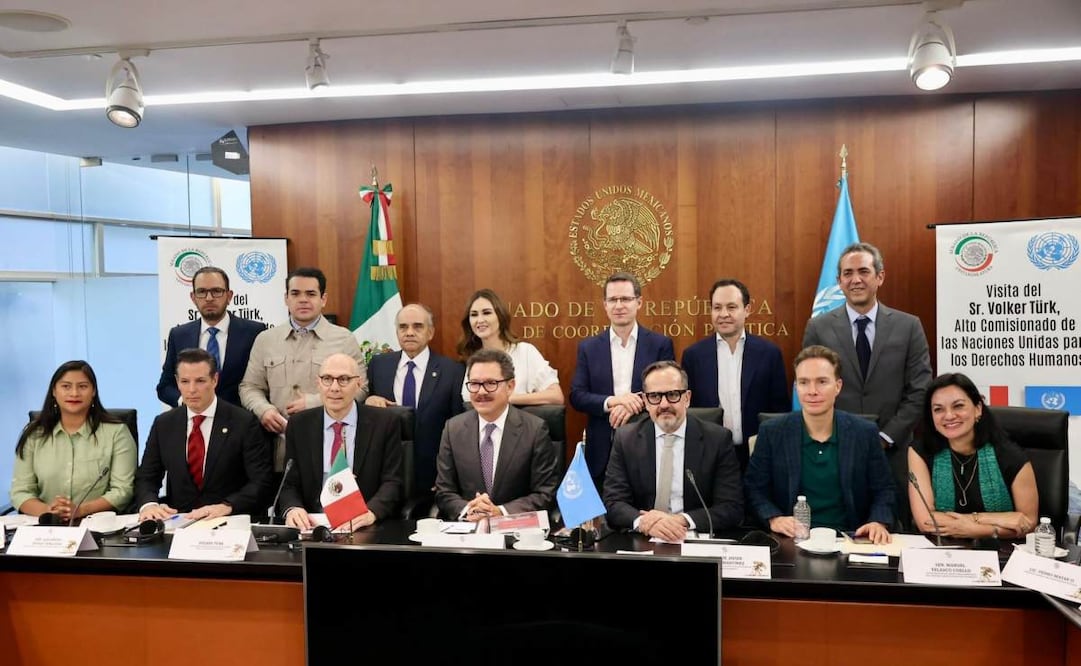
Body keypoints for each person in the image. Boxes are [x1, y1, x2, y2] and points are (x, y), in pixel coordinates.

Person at [801, 241, 931, 523]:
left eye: (863, 271)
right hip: (835, 446)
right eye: (847, 273)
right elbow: (810, 386)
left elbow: (920, 390)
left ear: (879, 276)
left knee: (890, 530)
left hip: (892, 451)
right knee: (839, 528)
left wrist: (885, 437)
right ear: (838, 281)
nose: (855, 279)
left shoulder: (909, 326)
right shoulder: (818, 327)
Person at [744, 345, 895, 544]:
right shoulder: (772, 432)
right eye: (804, 383)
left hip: (850, 540)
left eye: (822, 382)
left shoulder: (864, 433)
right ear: (796, 387)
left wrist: (878, 521)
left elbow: (885, 489)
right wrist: (774, 518)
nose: (812, 391)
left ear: (838, 386)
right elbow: (753, 488)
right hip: (790, 542)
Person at [240, 266, 366, 470]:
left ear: (323, 299)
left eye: (311, 294)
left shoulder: (344, 339)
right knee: (285, 499)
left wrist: (316, 401)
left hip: (328, 448)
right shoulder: (265, 339)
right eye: (296, 293)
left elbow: (361, 389)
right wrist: (263, 410)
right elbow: (249, 387)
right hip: (277, 447)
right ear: (286, 298)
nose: (303, 300)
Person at [603, 361, 743, 541]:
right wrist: (645, 522)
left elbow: (731, 507)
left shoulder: (717, 440)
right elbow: (614, 503)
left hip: (693, 539)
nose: (663, 404)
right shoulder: (626, 439)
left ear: (687, 398)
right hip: (642, 538)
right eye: (654, 396)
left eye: (672, 395)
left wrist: (680, 521)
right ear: (645, 401)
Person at [135, 349, 273, 521]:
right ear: (177, 382)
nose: (192, 389)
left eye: (200, 381)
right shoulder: (164, 424)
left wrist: (227, 506)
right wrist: (149, 505)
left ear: (215, 380)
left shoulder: (243, 422)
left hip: (228, 521)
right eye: (185, 381)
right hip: (181, 523)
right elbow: (147, 476)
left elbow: (262, 482)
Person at [570, 272, 675, 486]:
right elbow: (577, 396)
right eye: (613, 300)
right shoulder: (588, 348)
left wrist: (632, 404)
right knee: (603, 513)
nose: (619, 305)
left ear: (639, 302)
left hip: (647, 442)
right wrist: (615, 401)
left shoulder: (660, 344)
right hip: (601, 447)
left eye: (625, 299)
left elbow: (669, 392)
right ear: (605, 305)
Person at [278, 353, 403, 529]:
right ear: (318, 383)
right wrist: (293, 508)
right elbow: (289, 483)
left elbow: (393, 482)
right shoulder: (299, 425)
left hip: (364, 524)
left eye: (344, 379)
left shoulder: (384, 423)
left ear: (358, 383)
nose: (335, 388)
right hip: (313, 524)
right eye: (327, 379)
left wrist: (371, 513)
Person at [909, 373, 1038, 539]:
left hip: (1000, 553)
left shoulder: (1010, 455)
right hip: (942, 553)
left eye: (958, 406)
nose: (948, 415)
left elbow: (1027, 522)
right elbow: (926, 520)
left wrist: (977, 526)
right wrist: (994, 522)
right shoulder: (920, 451)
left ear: (978, 409)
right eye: (938, 409)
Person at [435, 349, 558, 520]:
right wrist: (469, 510)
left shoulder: (535, 430)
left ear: (510, 386)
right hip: (468, 531)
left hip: (515, 532)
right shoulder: (453, 429)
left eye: (491, 383)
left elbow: (545, 493)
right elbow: (444, 491)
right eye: (475, 384)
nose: (481, 392)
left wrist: (500, 512)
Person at [682, 278, 789, 471]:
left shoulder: (769, 354)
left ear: (747, 309)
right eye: (717, 308)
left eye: (731, 307)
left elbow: (779, 410)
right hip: (710, 456)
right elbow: (690, 411)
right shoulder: (694, 356)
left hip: (758, 454)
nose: (724, 314)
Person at [10, 361, 136, 520]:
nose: (74, 393)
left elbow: (122, 490)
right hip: (45, 528)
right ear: (54, 391)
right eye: (66, 386)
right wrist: (49, 512)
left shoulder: (116, 433)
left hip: (99, 527)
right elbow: (21, 491)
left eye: (83, 386)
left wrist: (80, 510)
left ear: (94, 391)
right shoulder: (34, 434)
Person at [365, 303, 465, 493]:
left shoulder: (452, 370)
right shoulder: (378, 365)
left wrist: (450, 476)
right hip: (384, 473)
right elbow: (363, 414)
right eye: (403, 327)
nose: (409, 332)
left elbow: (459, 427)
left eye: (417, 326)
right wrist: (368, 401)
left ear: (431, 332)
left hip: (433, 475)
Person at [156, 266, 267, 407]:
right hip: (194, 421)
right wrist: (186, 402)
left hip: (241, 422)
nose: (209, 298)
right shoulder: (179, 335)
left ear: (229, 296)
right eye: (201, 292)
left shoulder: (254, 332)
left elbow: (262, 384)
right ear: (193, 297)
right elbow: (165, 387)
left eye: (216, 291)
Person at [456, 288, 562, 406]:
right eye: (474, 315)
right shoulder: (468, 358)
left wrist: (508, 398)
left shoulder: (525, 352)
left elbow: (556, 396)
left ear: (500, 316)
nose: (480, 320)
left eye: (487, 313)